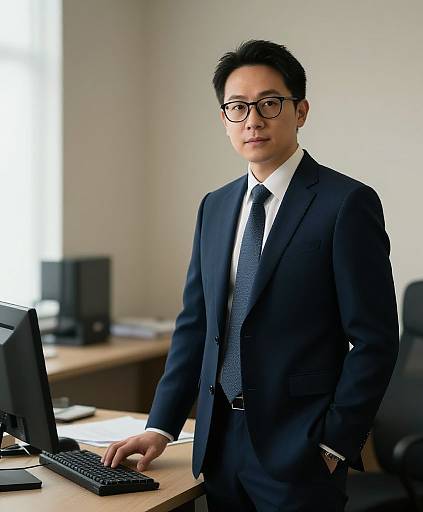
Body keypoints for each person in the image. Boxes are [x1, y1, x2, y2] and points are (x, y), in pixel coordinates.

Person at [102, 40, 399, 511]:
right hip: (219, 443)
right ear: (224, 120)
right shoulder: (215, 206)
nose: (253, 120)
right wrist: (160, 427)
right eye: (237, 108)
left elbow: (375, 340)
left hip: (300, 448)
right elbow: (196, 326)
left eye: (269, 104)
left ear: (300, 111)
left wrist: (334, 445)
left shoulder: (345, 204)